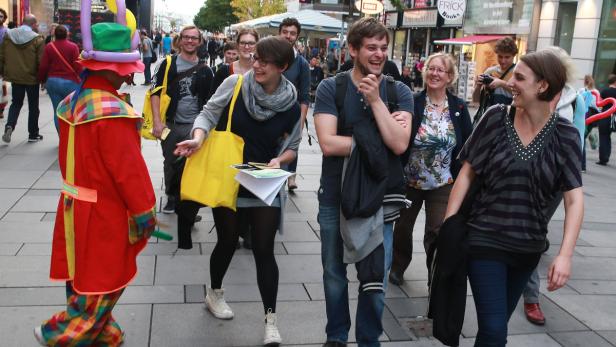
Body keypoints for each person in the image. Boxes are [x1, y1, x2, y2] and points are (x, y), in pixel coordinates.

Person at [444, 49, 584, 346]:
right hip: (485, 239)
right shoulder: (496, 118)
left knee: (492, 330)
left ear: (542, 86)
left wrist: (565, 255)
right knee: (496, 331)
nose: (510, 83)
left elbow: (574, 199)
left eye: (519, 78)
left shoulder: (566, 136)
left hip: (527, 248)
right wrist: (449, 227)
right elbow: (466, 174)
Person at [34, 18, 156, 347]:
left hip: (72, 203)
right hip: (104, 211)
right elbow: (129, 172)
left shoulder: (70, 103)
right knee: (104, 280)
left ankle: (105, 334)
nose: (129, 73)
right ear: (113, 68)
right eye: (126, 67)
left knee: (82, 276)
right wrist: (145, 213)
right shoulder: (113, 112)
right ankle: (64, 332)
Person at [175, 36, 301, 346]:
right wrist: (199, 137)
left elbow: (293, 147)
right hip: (229, 174)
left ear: (282, 67)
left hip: (263, 177)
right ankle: (214, 293)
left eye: (264, 61)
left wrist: (279, 159)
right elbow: (207, 113)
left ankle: (271, 320)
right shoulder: (235, 83)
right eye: (255, 58)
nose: (256, 64)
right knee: (228, 240)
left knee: (263, 248)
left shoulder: (292, 104)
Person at [314, 17, 412, 347]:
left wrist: (375, 101)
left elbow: (399, 144)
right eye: (371, 47)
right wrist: (376, 142)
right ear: (353, 49)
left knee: (376, 280)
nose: (379, 54)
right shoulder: (332, 88)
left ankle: (369, 339)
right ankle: (337, 336)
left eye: (384, 48)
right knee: (334, 275)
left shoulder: (399, 92)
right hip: (335, 197)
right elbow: (328, 143)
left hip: (381, 200)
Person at [388, 52, 472, 286]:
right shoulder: (412, 102)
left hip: (443, 182)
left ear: (450, 76)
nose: (434, 73)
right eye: (431, 68)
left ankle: (434, 273)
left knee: (438, 231)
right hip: (409, 180)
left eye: (440, 70)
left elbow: (468, 142)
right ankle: (397, 265)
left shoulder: (459, 107)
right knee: (402, 228)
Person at [150, 25, 214, 215]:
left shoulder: (206, 70)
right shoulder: (167, 64)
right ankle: (171, 195)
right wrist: (156, 121)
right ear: (180, 40)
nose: (190, 41)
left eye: (194, 38)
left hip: (195, 126)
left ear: (200, 41)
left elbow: (211, 101)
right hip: (170, 123)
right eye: (186, 37)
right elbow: (154, 92)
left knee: (191, 163)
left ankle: (186, 202)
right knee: (170, 161)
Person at [0, 14, 45, 143]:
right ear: (33, 24)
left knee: (16, 103)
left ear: (22, 22)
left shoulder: (9, 36)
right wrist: (42, 78)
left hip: (15, 76)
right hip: (31, 78)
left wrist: (2, 70)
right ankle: (33, 134)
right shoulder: (37, 39)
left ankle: (9, 125)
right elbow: (40, 61)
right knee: (33, 106)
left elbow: (1, 55)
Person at [278, 17, 310, 191]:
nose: (288, 36)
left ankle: (291, 175)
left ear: (297, 37)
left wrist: (300, 123)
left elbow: (305, 96)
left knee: (292, 145)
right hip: (267, 113)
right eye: (285, 32)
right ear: (279, 32)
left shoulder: (302, 63)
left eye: (292, 33)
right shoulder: (269, 57)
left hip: (291, 114)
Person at [38, 24, 81, 133]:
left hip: (53, 82)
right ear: (67, 34)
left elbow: (43, 66)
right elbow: (77, 66)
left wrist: (42, 80)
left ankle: (62, 138)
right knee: (71, 111)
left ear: (54, 34)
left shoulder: (49, 47)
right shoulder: (73, 47)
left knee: (57, 111)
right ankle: (70, 137)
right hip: (70, 83)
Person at [211, 27, 258, 95]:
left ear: (257, 45)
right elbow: (212, 100)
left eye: (251, 43)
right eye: (242, 43)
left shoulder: (262, 71)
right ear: (237, 45)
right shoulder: (224, 71)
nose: (247, 47)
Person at [475, 37, 518, 111]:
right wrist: (478, 86)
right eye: (500, 56)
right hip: (489, 117)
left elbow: (523, 95)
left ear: (514, 56)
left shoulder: (517, 73)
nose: (503, 61)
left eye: (507, 57)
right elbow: (475, 100)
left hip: (509, 117)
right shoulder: (490, 71)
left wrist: (502, 83)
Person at [579, 75, 600, 170]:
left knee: (580, 139)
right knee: (582, 138)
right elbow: (598, 106)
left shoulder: (582, 90)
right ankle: (581, 165)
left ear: (585, 81)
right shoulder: (596, 91)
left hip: (583, 116)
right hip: (592, 117)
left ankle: (581, 165)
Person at [597, 74, 616, 166]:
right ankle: (607, 156)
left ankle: (603, 158)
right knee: (608, 137)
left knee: (603, 137)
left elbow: (599, 104)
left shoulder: (604, 91)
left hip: (604, 116)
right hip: (614, 118)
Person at [0, 8, 8, 119]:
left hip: (3, 62)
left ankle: (1, 109)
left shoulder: (7, 32)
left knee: (2, 87)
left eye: (1, 16)